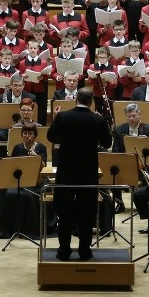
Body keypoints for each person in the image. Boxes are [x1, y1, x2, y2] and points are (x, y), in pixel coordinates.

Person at [47, 87, 112, 261]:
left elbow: (51, 137)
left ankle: (64, 250)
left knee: (65, 211)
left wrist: (63, 135)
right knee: (87, 212)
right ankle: (84, 250)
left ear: (76, 98)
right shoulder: (97, 120)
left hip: (66, 171)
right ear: (91, 101)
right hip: (88, 172)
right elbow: (107, 143)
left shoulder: (63, 117)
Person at [0, 123, 52, 239]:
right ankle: (12, 226)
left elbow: (43, 167)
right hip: (20, 180)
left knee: (32, 194)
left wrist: (36, 157)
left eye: (30, 133)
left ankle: (30, 226)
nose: (27, 136)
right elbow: (12, 164)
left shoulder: (41, 147)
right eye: (25, 133)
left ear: (35, 135)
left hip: (36, 180)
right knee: (9, 192)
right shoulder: (17, 147)